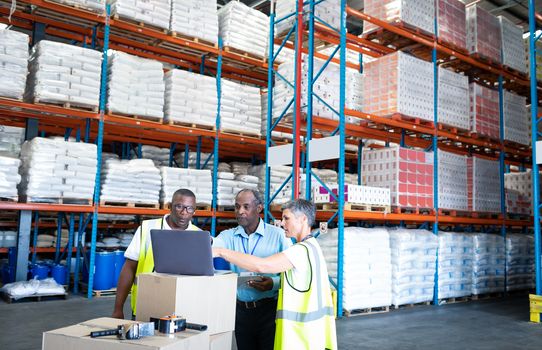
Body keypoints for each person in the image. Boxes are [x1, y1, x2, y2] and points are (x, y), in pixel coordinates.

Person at [213, 199, 337, 350]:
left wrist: (221, 252)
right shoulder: (313, 247)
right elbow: (301, 282)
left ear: (303, 219)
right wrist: (273, 283)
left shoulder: (299, 251)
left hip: (300, 334)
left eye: (287, 218)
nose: (282, 223)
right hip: (312, 332)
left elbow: (262, 265)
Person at [212, 189, 292, 350]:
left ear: (259, 208)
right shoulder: (227, 236)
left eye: (246, 207)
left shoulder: (279, 236)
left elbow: (291, 275)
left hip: (270, 311)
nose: (240, 211)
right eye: (237, 207)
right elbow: (213, 247)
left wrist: (273, 283)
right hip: (240, 311)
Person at [112, 188, 201, 319]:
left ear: (194, 211)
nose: (184, 213)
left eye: (189, 209)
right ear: (170, 206)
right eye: (179, 207)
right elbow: (129, 268)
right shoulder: (147, 228)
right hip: (146, 304)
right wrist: (118, 309)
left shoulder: (198, 235)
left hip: (181, 309)